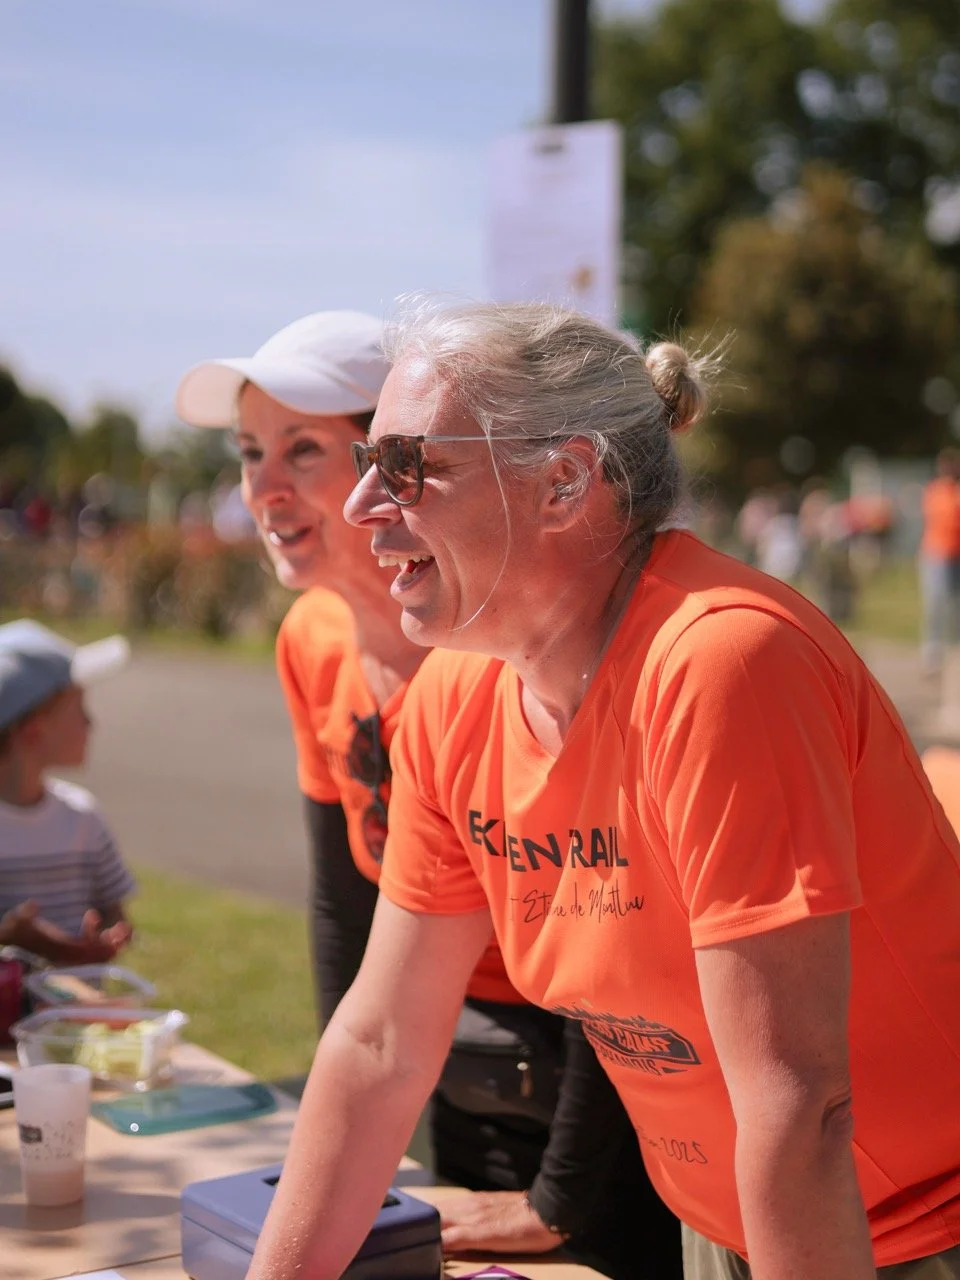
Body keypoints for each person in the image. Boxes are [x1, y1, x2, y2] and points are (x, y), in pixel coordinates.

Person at [247, 300, 960, 1280]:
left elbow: (802, 1107)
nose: (366, 505)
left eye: (407, 465)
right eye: (367, 463)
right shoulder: (460, 690)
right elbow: (378, 1043)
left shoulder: (721, 663)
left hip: (908, 1227)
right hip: (747, 1222)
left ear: (565, 481)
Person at [176, 311, 680, 1279]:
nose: (263, 487)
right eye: (249, 452)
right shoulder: (311, 640)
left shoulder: (518, 649)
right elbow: (345, 911)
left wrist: (559, 1196)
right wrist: (357, 1147)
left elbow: (620, 955)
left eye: (306, 448)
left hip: (612, 1096)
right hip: (455, 1063)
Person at [0, 620, 135, 964]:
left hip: (78, 1014)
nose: (91, 723)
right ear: (32, 731)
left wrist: (111, 933)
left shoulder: (83, 818)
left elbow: (114, 910)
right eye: (79, 709)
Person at [919, 448, 960, 674]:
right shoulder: (936, 491)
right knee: (935, 603)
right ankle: (932, 653)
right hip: (937, 553)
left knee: (956, 606)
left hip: (957, 554)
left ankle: (955, 651)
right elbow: (944, 518)